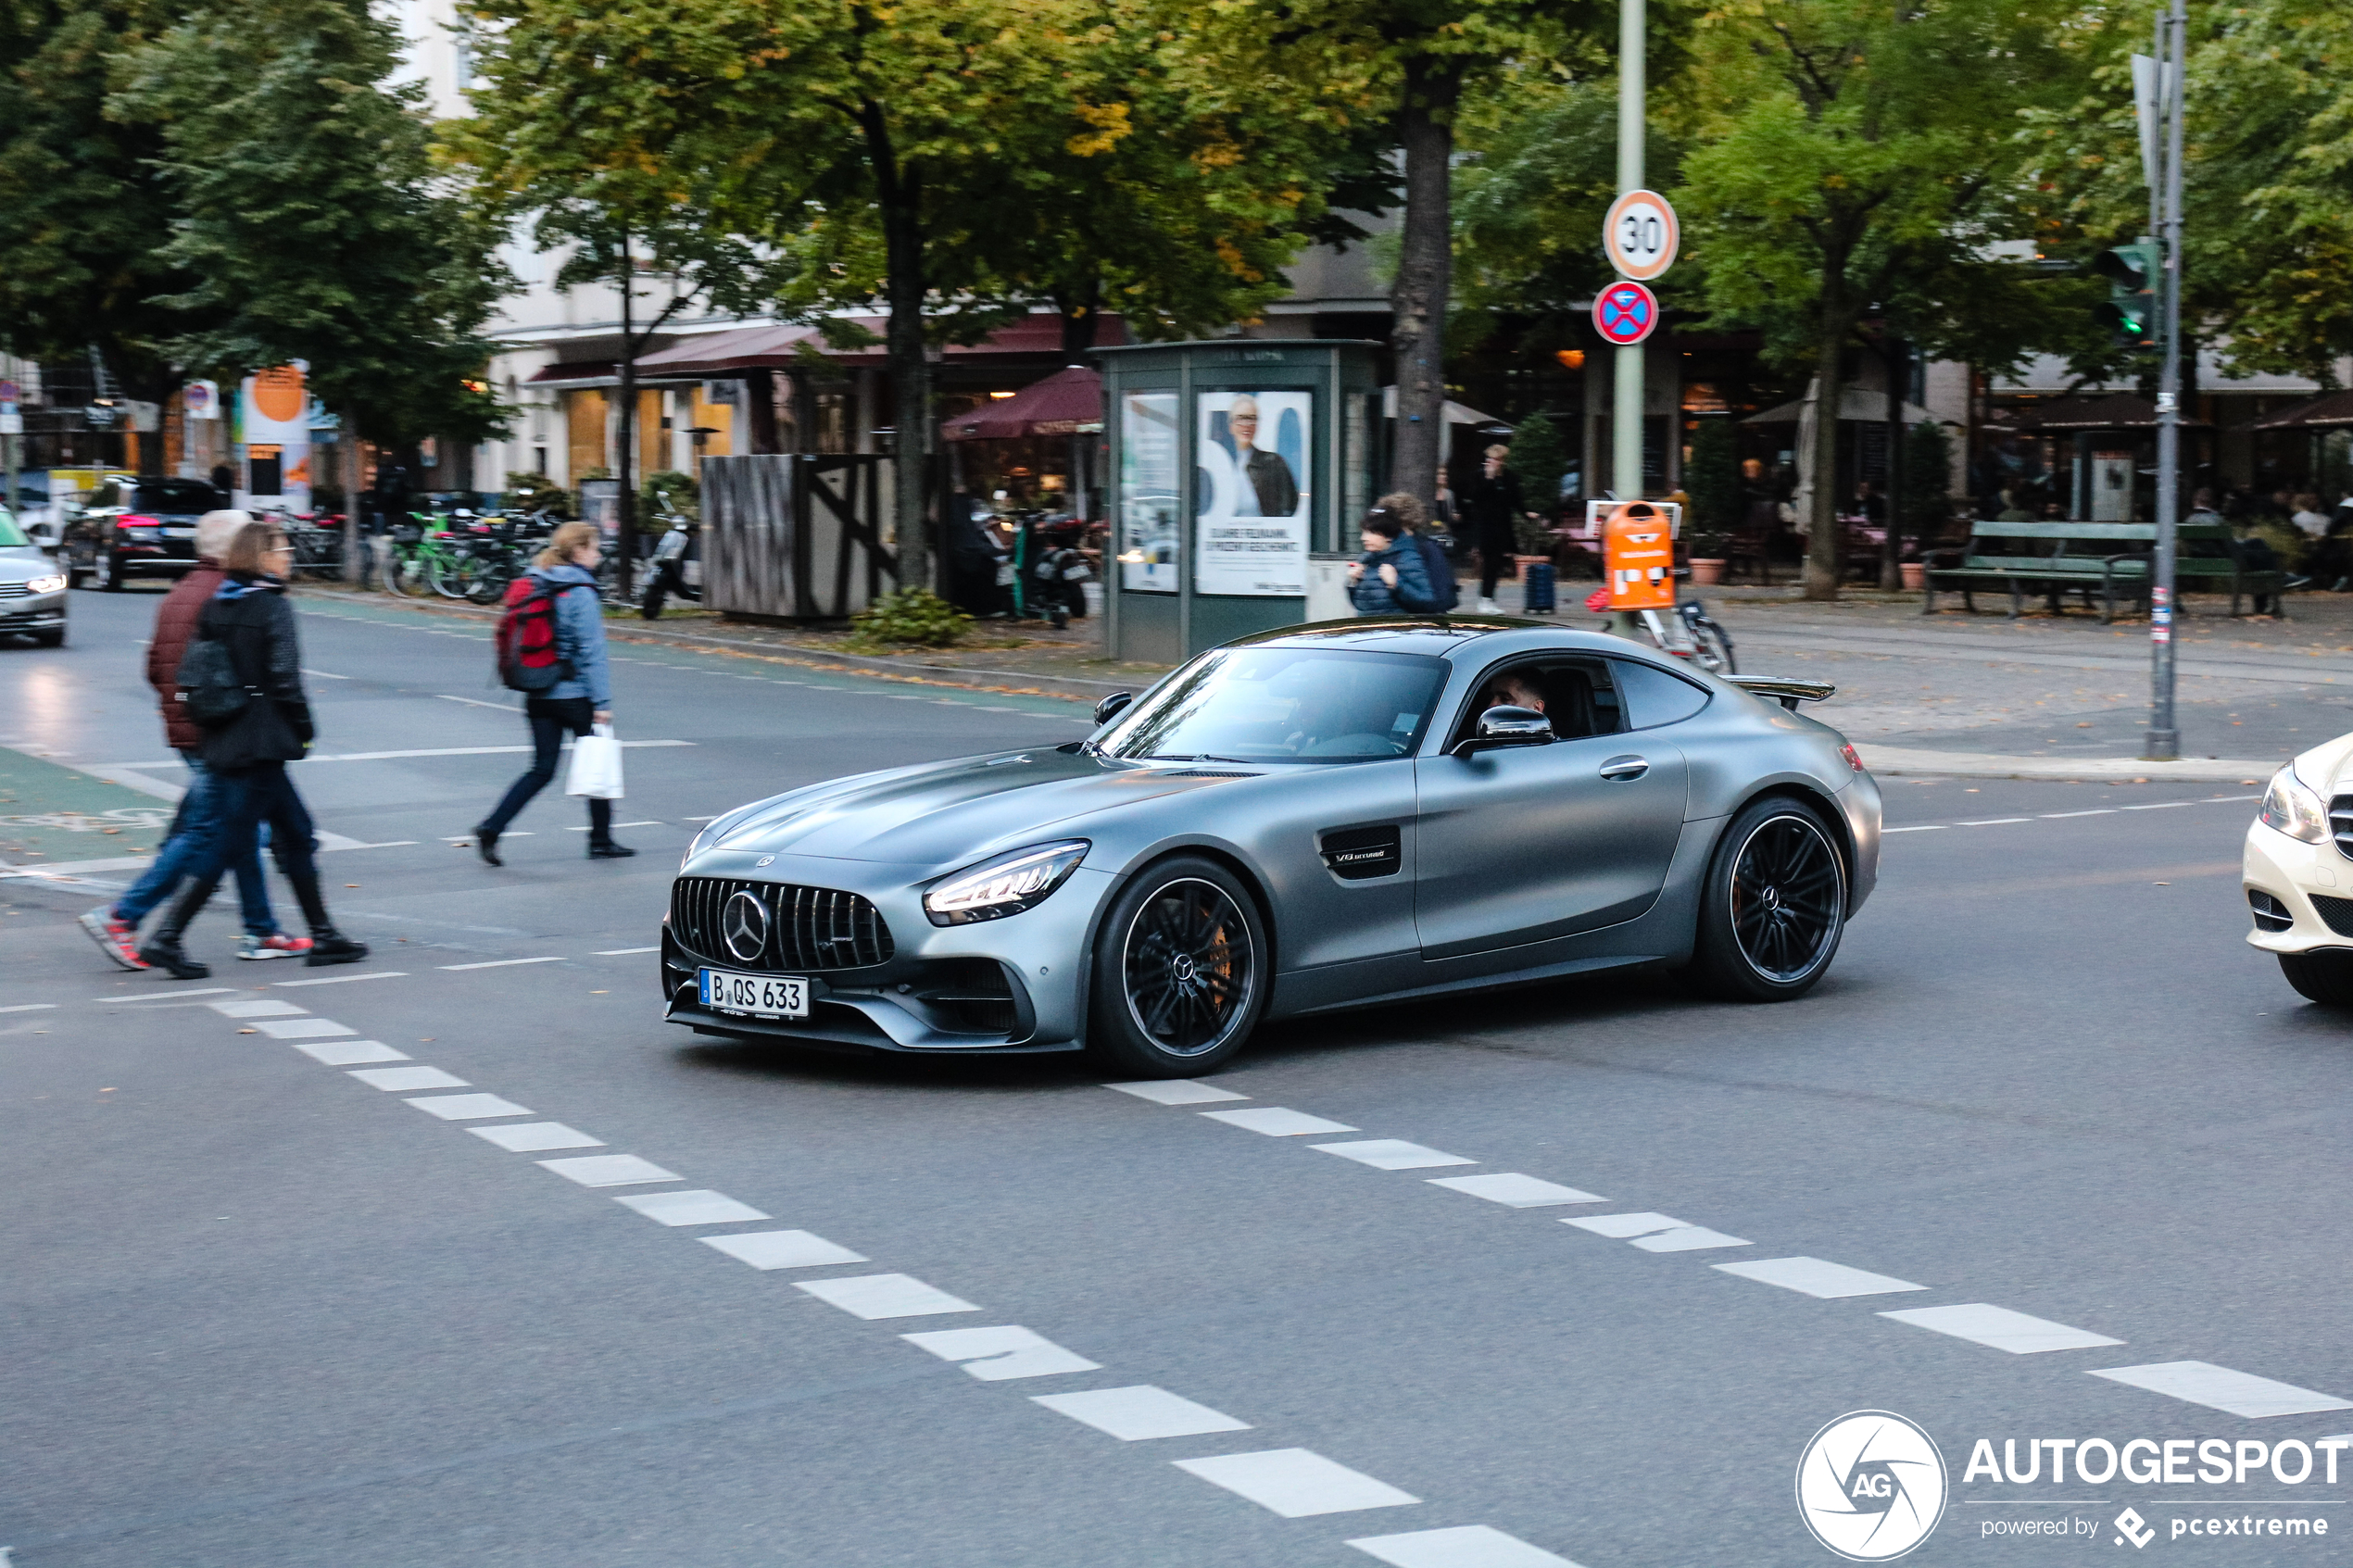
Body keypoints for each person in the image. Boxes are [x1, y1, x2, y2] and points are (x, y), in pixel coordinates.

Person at [136, 521, 369, 978]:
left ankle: (324, 935)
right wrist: (303, 728)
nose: (288, 557)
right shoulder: (271, 606)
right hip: (262, 742)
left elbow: (193, 673)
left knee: (296, 832)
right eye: (282, 549)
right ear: (263, 556)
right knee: (228, 840)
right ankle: (167, 937)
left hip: (226, 736)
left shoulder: (218, 604)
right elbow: (284, 677)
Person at [79, 510, 309, 970]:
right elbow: (256, 676)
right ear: (234, 548)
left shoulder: (181, 593)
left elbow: (160, 671)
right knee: (208, 833)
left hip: (194, 732)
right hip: (225, 736)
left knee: (238, 831)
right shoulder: (226, 598)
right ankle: (123, 916)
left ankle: (260, 929)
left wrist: (181, 704)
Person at [472, 521, 633, 864]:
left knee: (541, 769)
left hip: (538, 690)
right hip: (574, 694)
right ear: (578, 552)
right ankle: (601, 840)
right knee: (597, 763)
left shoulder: (538, 580)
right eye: (594, 547)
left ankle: (492, 826)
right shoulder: (579, 591)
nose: (598, 553)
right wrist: (602, 703)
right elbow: (592, 651)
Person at [1459, 444, 1529, 612]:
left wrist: (1527, 513)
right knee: (1490, 562)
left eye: (1495, 459)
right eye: (1489, 458)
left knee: (1497, 564)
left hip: (1503, 527)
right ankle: (1485, 599)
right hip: (1485, 526)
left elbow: (1515, 500)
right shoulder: (1479, 476)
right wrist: (1488, 480)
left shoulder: (1509, 478)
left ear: (1502, 461)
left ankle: (1488, 598)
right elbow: (1476, 498)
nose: (1491, 462)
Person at [1347, 511, 1435, 615]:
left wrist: (1396, 583)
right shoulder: (1366, 560)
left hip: (1396, 629)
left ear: (1388, 536)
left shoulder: (1406, 559)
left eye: (1371, 533)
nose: (1363, 538)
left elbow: (1427, 602)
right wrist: (1353, 583)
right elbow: (1362, 606)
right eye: (1364, 532)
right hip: (1368, 628)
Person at [1225, 395, 1299, 517]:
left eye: (1252, 419)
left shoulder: (1274, 463)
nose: (1246, 424)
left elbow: (1290, 508)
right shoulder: (1219, 464)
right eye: (1240, 418)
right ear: (1231, 426)